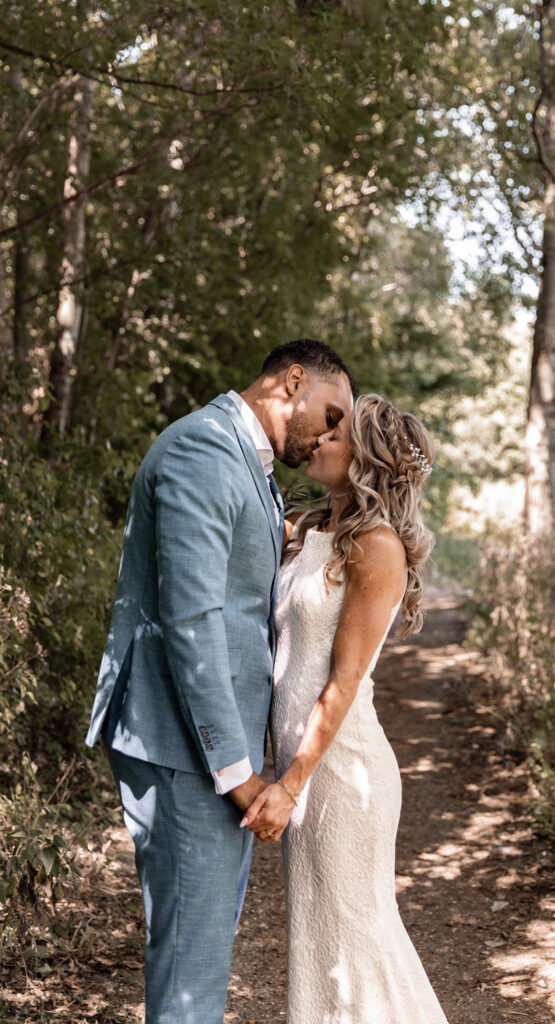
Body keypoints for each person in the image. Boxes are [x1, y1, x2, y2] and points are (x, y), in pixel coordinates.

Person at [85, 339, 354, 1024]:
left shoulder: (245, 460)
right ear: (292, 381)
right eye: (329, 414)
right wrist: (237, 775)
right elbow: (193, 619)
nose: (330, 434)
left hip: (201, 745)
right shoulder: (201, 450)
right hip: (184, 746)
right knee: (191, 966)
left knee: (199, 950)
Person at [242, 393, 449, 1024]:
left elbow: (344, 681)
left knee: (358, 942)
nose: (318, 437)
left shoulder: (377, 546)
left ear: (364, 456)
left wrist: (291, 784)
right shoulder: (309, 530)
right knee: (322, 947)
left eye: (336, 431)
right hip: (308, 769)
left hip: (339, 770)